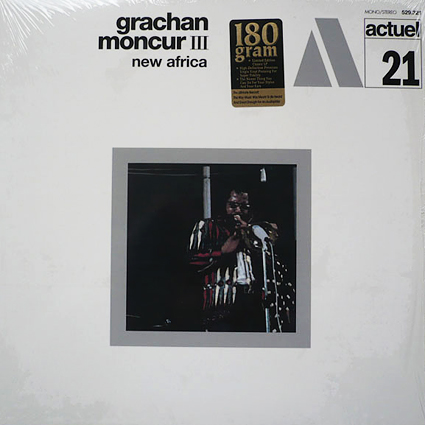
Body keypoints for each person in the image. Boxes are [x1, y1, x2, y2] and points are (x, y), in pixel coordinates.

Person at [188, 189, 295, 332]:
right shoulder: (207, 226)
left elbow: (275, 268)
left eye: (244, 207)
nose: (238, 211)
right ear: (224, 205)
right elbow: (190, 261)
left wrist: (252, 237)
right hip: (222, 303)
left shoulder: (256, 231)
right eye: (233, 206)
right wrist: (222, 251)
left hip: (255, 301)